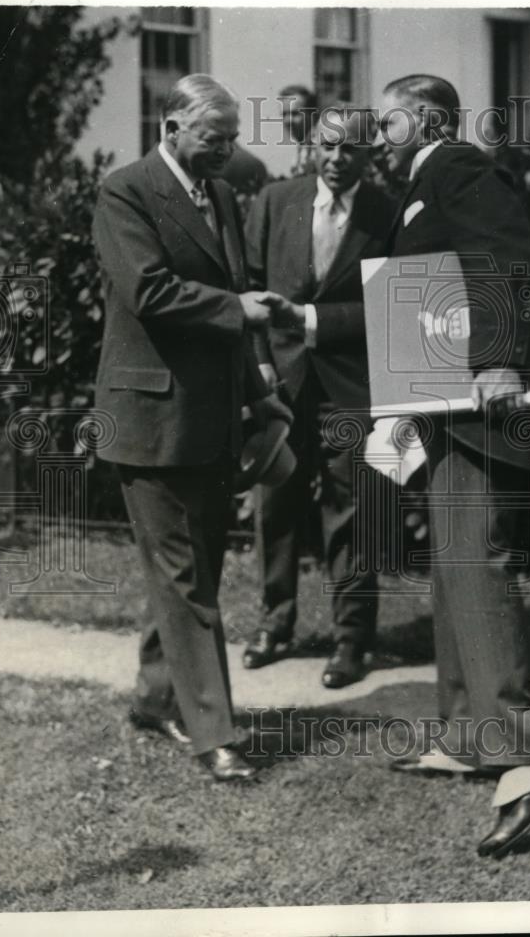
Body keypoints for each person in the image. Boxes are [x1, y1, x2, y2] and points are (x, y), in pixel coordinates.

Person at [373, 74, 530, 857]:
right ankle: (465, 735)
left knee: (475, 565)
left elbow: (507, 255)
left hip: (476, 403)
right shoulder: (426, 177)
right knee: (453, 568)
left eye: (387, 122)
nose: (379, 136)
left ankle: (528, 753)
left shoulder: (456, 166)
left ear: (422, 118)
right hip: (443, 405)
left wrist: (498, 361)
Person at [93, 73, 291, 782]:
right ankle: (215, 735)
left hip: (212, 419)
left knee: (190, 571)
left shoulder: (225, 196)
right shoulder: (126, 191)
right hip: (150, 417)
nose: (230, 149)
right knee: (184, 579)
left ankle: (154, 698)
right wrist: (240, 310)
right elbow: (148, 290)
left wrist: (260, 382)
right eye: (217, 136)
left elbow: (238, 296)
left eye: (234, 136)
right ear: (172, 126)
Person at [242, 104, 395, 688]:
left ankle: (352, 639)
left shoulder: (387, 214)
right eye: (326, 146)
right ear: (312, 145)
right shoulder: (275, 201)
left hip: (349, 388)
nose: (335, 159)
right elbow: (248, 291)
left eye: (350, 149)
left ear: (370, 153)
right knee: (274, 506)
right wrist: (260, 373)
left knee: (351, 512)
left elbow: (389, 306)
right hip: (279, 382)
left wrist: (310, 320)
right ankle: (275, 625)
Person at [279, 83, 318, 176]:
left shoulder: (321, 148)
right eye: (284, 114)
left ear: (312, 114)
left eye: (295, 114)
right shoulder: (303, 147)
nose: (288, 120)